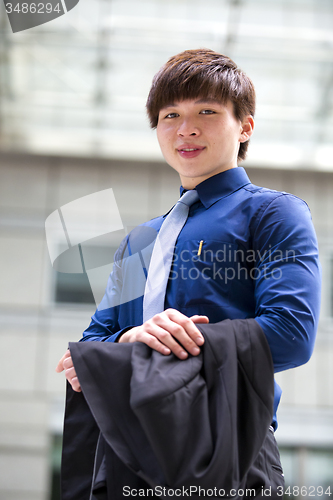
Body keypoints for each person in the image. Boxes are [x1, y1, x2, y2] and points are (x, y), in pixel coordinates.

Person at [56, 48, 321, 494]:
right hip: (127, 455)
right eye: (169, 115)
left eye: (207, 111)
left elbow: (292, 333)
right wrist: (131, 338)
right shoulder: (138, 241)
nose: (186, 128)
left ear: (246, 126)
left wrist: (162, 345)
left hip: (229, 445)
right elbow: (85, 354)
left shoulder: (275, 214)